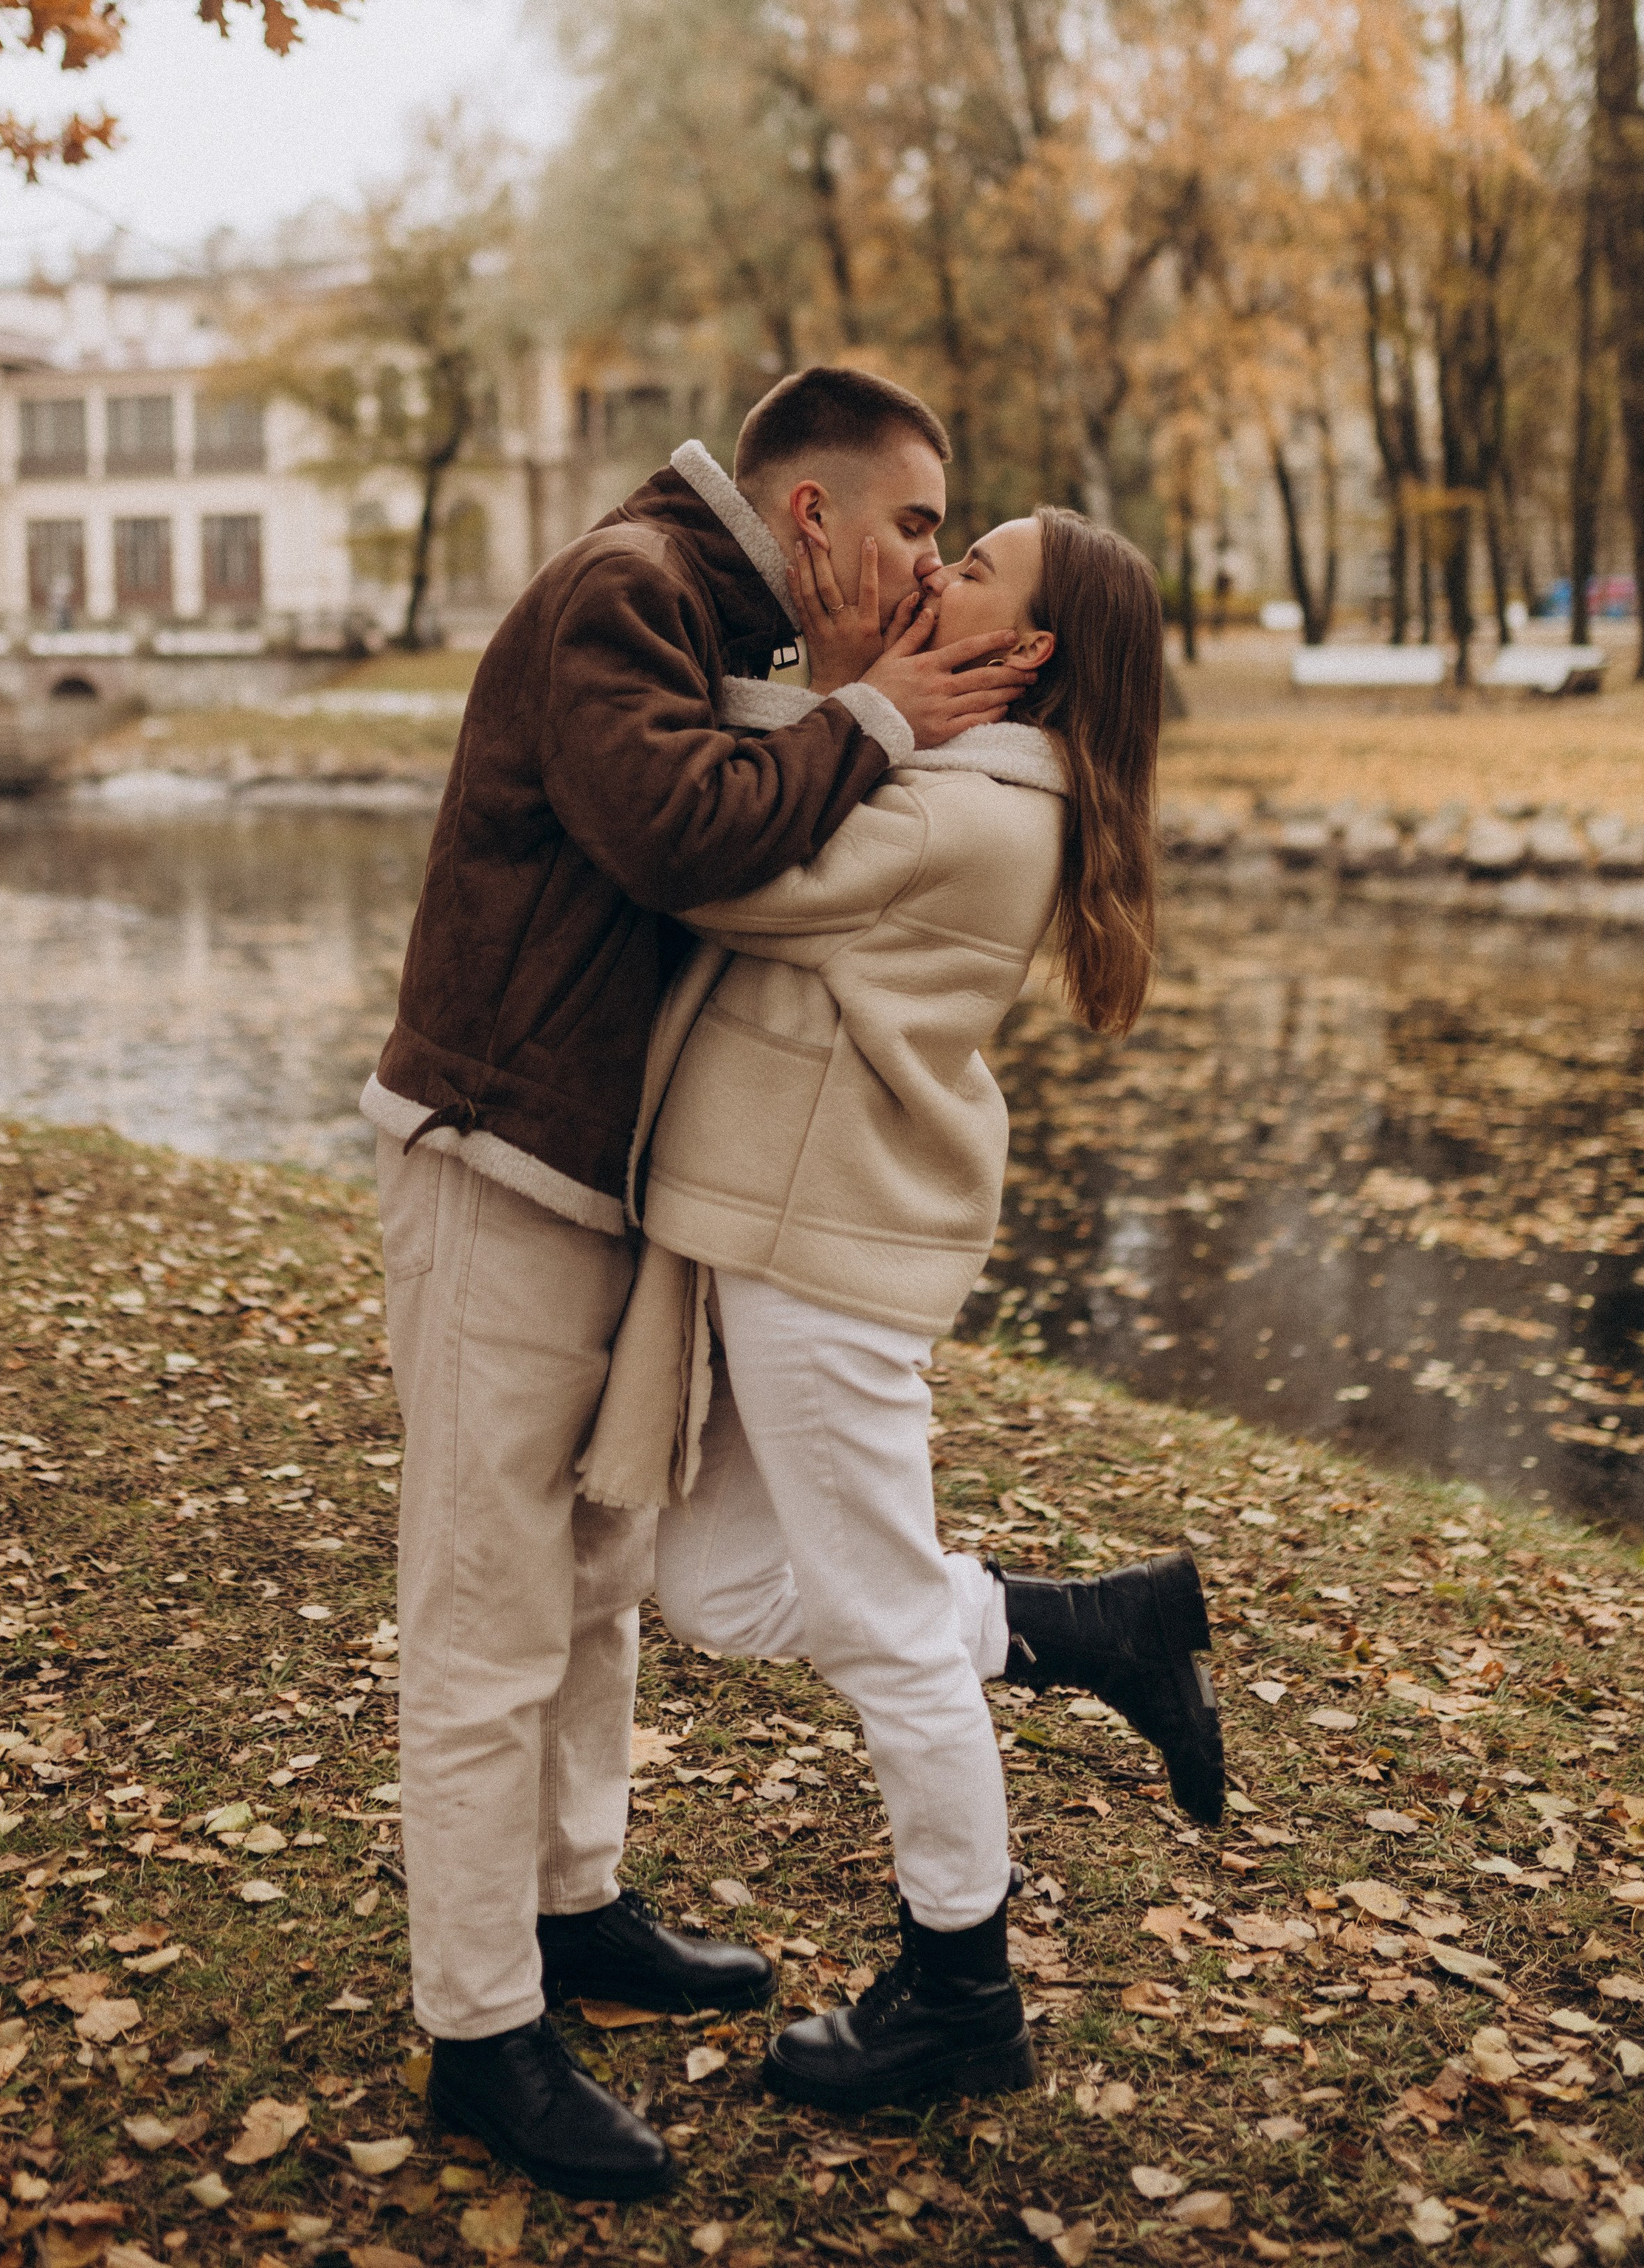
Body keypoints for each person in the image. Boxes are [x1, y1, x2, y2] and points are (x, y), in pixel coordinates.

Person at [362, 367, 1040, 2201]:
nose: (923, 575)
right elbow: (678, 828)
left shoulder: (729, 627)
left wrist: (854, 713)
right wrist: (883, 720)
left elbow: (767, 825)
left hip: (596, 1178)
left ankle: (573, 1910)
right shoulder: (624, 592)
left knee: (589, 1573)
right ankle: (480, 2026)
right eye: (913, 527)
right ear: (806, 518)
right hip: (497, 1158)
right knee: (488, 1607)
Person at [588, 506, 1223, 2115]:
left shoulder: (978, 811)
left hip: (825, 1251)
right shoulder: (962, 776)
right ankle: (1077, 1628)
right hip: (777, 1231)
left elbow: (722, 873)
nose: (933, 576)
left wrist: (678, 720)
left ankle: (961, 1989)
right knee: (713, 1587)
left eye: (972, 571)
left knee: (884, 1636)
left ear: (1028, 654)